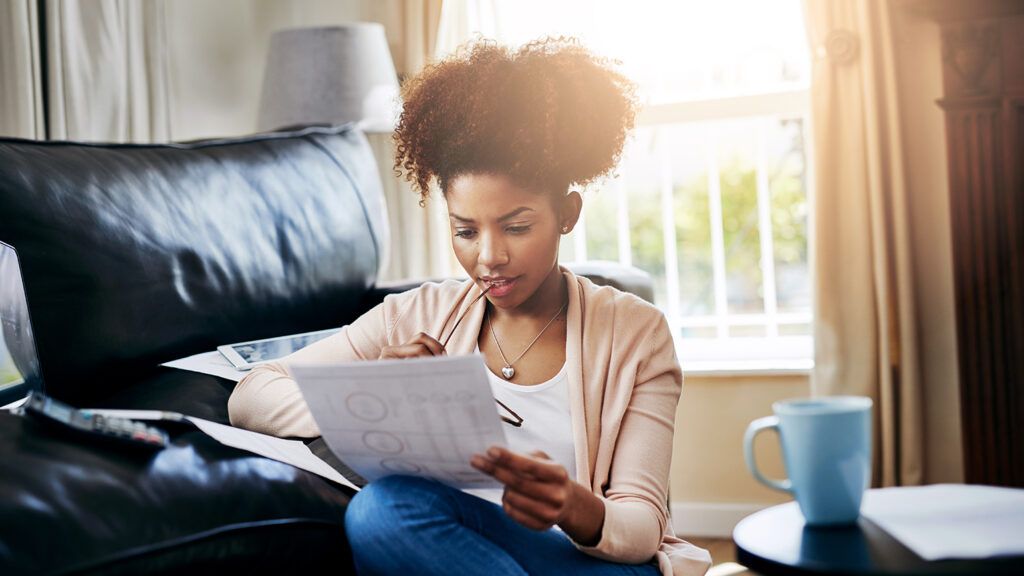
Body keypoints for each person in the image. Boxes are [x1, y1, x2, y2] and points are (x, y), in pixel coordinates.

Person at [228, 37, 711, 576]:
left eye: (517, 226)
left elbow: (643, 528)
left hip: (589, 563)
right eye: (464, 230)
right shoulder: (414, 316)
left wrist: (574, 507)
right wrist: (369, 400)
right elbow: (251, 394)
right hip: (465, 551)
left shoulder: (635, 333)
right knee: (383, 511)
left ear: (567, 214)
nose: (489, 257)